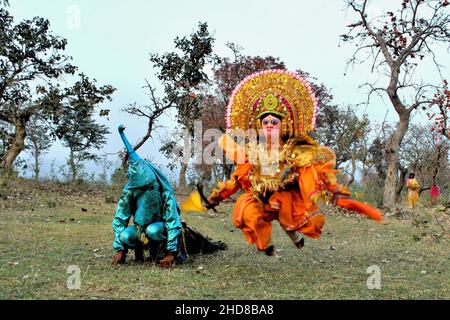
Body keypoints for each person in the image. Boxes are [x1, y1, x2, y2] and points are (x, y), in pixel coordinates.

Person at [198, 69, 382, 255]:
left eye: (274, 122)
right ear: (260, 126)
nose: (269, 125)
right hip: (261, 199)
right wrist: (217, 197)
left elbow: (314, 170)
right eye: (266, 122)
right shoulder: (252, 151)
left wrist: (334, 190)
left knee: (303, 220)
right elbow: (237, 179)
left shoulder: (296, 148)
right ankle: (266, 243)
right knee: (245, 209)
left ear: (283, 125)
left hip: (288, 199)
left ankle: (293, 234)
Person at [112, 125, 226, 268]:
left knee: (152, 230)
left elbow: (172, 221)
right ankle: (139, 251)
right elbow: (120, 219)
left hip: (160, 227)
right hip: (140, 229)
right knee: (125, 236)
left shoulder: (164, 192)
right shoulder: (130, 191)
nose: (144, 192)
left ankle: (166, 249)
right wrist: (120, 249)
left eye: (148, 189)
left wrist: (171, 253)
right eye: (140, 190)